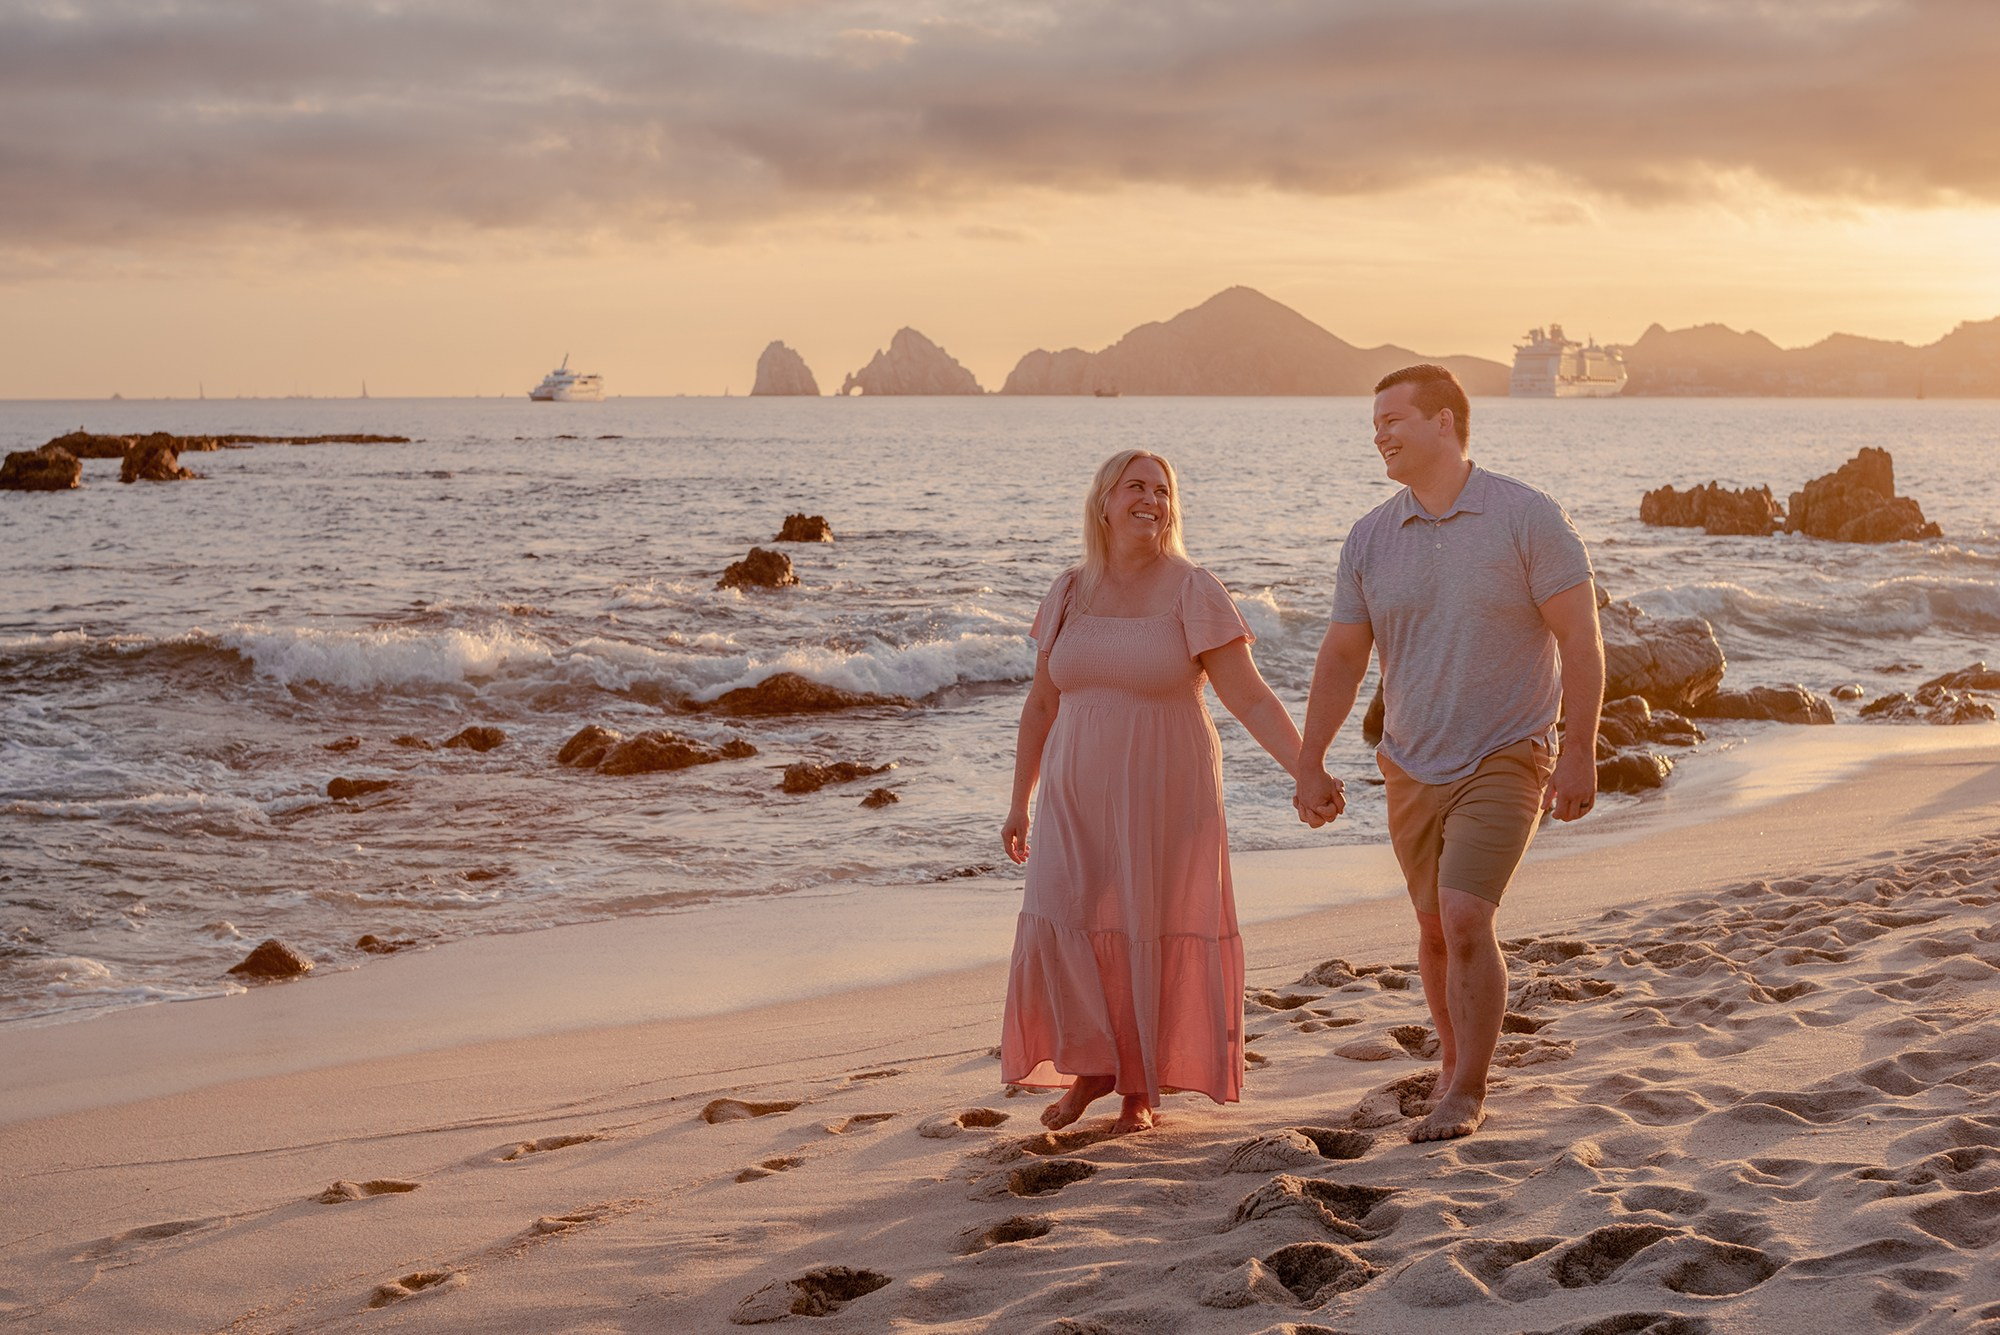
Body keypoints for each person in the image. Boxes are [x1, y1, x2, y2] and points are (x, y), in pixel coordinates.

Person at [1294, 365, 1603, 1143]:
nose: (1380, 435)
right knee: (1433, 929)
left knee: (1467, 917)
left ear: (1445, 422)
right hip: (1409, 760)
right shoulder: (1369, 536)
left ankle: (1468, 1087)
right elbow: (1340, 658)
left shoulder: (1525, 516)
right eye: (1374, 424)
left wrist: (1579, 751)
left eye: (1393, 418)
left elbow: (1580, 638)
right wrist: (1310, 758)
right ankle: (1452, 1056)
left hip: (1508, 749)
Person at [1000, 450, 1306, 1135]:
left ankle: (1138, 1088)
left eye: (1162, 490)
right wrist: (1020, 800)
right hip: (1073, 795)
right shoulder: (1069, 591)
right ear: (1104, 502)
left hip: (1165, 789)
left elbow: (1249, 697)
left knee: (1145, 923)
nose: (1151, 499)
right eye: (1136, 486)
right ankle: (1094, 1066)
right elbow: (1041, 704)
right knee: (1066, 914)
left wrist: (1305, 769)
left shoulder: (1194, 589)